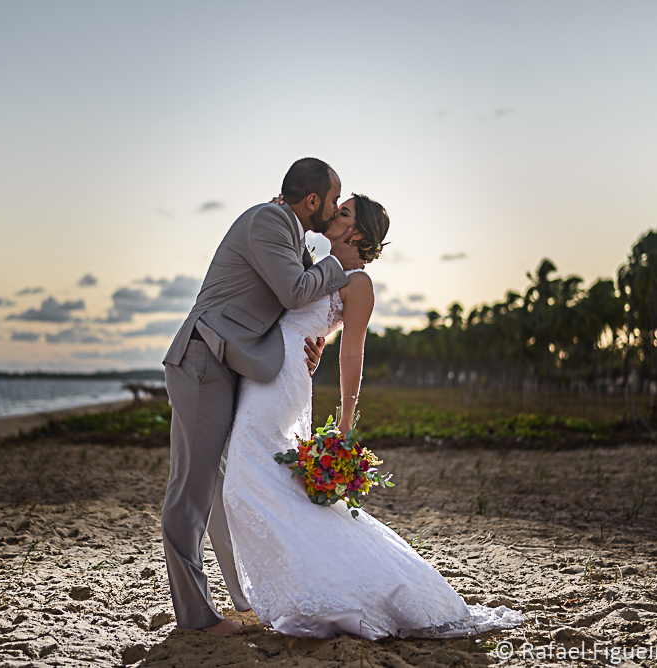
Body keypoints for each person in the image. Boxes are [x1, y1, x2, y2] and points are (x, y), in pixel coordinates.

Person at [221, 195, 525, 639]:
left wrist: (346, 420)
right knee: (265, 481)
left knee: (244, 481)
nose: (332, 215)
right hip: (267, 369)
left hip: (282, 381)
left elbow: (352, 351)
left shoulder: (358, 283)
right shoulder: (313, 264)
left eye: (341, 213)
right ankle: (308, 584)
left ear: (356, 232)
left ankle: (318, 586)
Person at [161, 158, 364, 635]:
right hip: (202, 359)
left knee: (222, 484)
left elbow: (288, 310)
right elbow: (295, 292)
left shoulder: (291, 236)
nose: (334, 209)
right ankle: (195, 617)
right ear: (312, 200)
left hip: (229, 364)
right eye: (334, 200)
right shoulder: (269, 220)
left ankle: (238, 598)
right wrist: (338, 265)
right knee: (192, 490)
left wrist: (312, 342)